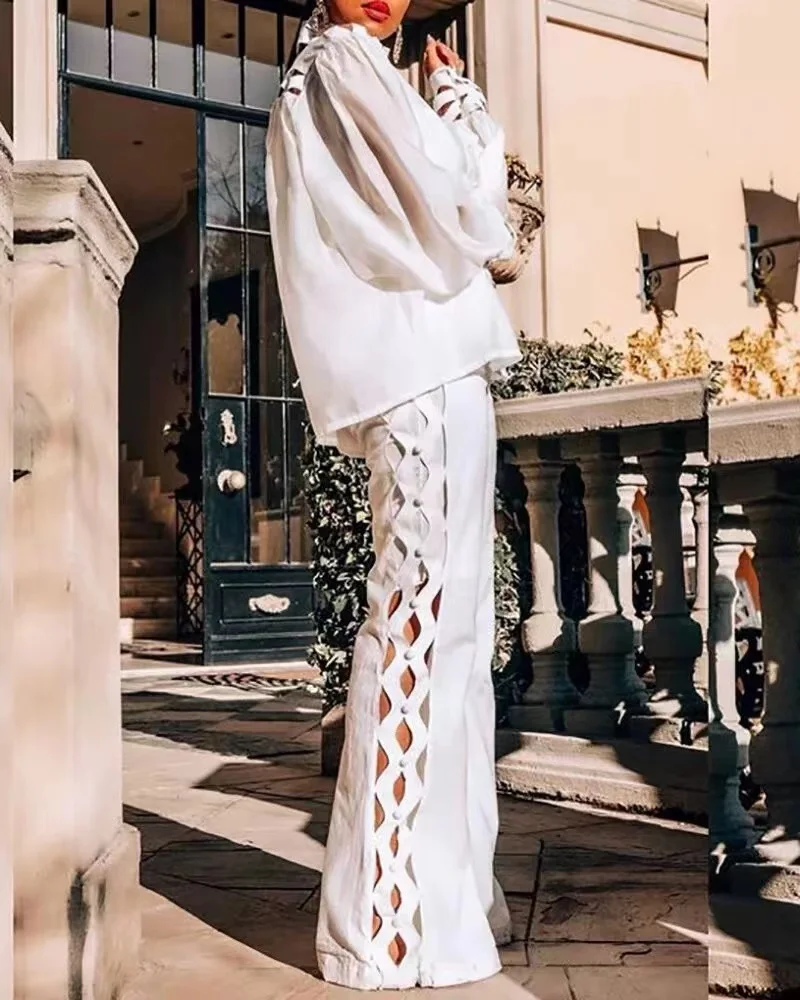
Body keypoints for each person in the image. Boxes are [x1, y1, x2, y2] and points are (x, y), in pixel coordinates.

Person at [266, 0, 522, 989]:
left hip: (429, 377)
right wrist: (461, 108)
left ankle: (447, 905)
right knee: (419, 631)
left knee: (452, 638)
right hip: (417, 381)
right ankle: (382, 927)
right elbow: (457, 201)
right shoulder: (338, 62)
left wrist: (447, 109)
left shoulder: (337, 70)